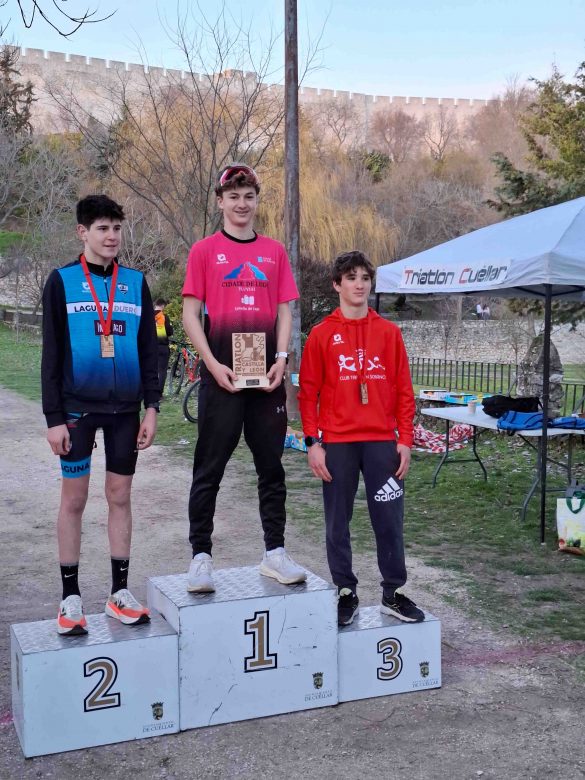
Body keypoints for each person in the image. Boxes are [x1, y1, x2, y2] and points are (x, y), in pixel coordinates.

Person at [182, 163, 306, 591]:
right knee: (209, 468)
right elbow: (189, 314)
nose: (241, 204)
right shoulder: (204, 251)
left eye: (248, 196)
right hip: (222, 377)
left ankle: (274, 552)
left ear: (256, 201)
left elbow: (285, 309)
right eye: (233, 196)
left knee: (271, 467)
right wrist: (211, 364)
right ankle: (200, 557)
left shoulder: (273, 252)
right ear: (220, 201)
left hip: (266, 377)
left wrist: (283, 359)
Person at [42, 194, 160, 636]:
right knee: (73, 500)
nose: (111, 236)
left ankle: (119, 593)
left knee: (120, 497)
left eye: (116, 228)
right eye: (102, 228)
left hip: (126, 411)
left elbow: (150, 349)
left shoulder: (135, 282)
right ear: (83, 233)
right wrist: (54, 416)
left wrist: (153, 407)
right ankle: (70, 596)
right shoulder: (63, 281)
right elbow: (51, 355)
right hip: (76, 410)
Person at [298, 250, 424, 626]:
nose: (359, 284)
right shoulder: (321, 335)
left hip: (382, 442)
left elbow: (404, 389)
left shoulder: (389, 333)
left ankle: (393, 593)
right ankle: (345, 591)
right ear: (337, 284)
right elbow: (308, 393)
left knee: (389, 520)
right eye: (351, 278)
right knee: (337, 521)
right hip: (336, 443)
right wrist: (311, 442)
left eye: (365, 278)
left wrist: (405, 439)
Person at [154, 298, 174, 396]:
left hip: (150, 347)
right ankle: (159, 394)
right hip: (162, 347)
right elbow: (170, 332)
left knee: (150, 370)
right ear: (162, 306)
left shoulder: (148, 316)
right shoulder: (164, 316)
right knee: (162, 371)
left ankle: (149, 392)